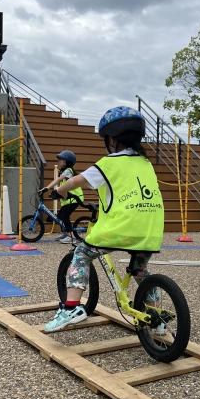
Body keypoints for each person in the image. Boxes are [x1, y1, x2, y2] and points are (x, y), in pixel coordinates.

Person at [44, 106, 164, 332]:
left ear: (111, 138)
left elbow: (75, 181)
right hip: (150, 228)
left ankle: (71, 308)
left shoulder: (108, 163)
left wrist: (59, 191)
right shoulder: (146, 163)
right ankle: (157, 319)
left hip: (122, 228)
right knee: (140, 271)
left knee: (81, 255)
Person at [42, 150, 83, 244]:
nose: (58, 162)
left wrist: (47, 188)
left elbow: (58, 180)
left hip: (75, 198)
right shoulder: (64, 171)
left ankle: (71, 237)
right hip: (69, 199)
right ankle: (66, 234)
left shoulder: (68, 171)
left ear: (66, 162)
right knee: (60, 216)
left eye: (60, 160)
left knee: (65, 216)